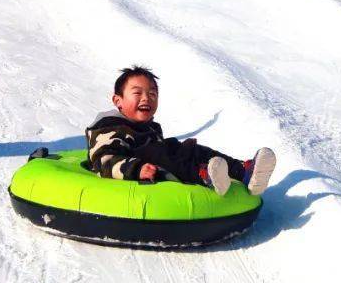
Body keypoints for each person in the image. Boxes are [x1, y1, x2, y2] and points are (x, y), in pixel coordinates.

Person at [87, 66, 276, 197]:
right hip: (136, 175)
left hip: (160, 166)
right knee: (157, 151)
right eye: (137, 93)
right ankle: (204, 176)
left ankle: (243, 170)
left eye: (152, 94)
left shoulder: (152, 128)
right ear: (117, 100)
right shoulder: (109, 127)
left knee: (189, 147)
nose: (146, 98)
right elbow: (104, 160)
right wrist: (136, 169)